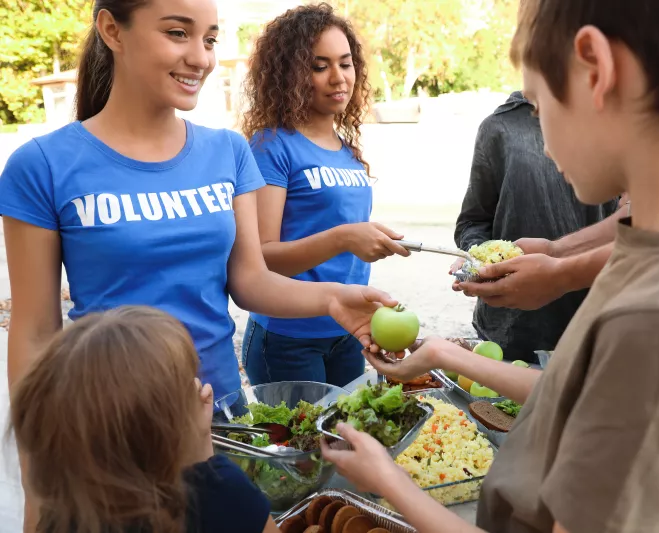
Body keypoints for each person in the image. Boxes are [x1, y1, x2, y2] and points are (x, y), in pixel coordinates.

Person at [324, 1, 659, 532]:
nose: (542, 137)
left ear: (595, 67)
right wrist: (441, 356)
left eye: (540, 105)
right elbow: (596, 397)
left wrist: (390, 482)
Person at [0, 1, 395, 529]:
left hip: (218, 420)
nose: (200, 58)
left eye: (209, 39)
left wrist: (330, 299)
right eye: (177, 33)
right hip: (106, 435)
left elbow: (250, 280)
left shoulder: (228, 152)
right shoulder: (41, 165)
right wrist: (37, 479)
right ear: (112, 29)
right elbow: (34, 333)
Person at [239, 3, 409, 387]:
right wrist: (346, 237)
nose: (339, 78)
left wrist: (367, 238)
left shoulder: (348, 151)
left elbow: (343, 237)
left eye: (346, 64)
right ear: (291, 74)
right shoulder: (271, 146)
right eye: (320, 66)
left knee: (344, 441)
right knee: (306, 446)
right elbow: (262, 258)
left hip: (348, 329)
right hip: (287, 338)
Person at [9, 306, 280, 533]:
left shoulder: (64, 518)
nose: (199, 385)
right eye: (187, 383)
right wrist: (207, 464)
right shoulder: (224, 495)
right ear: (163, 433)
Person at [453, 92, 618, 361]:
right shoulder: (499, 126)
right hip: (511, 330)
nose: (549, 151)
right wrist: (483, 257)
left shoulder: (619, 118)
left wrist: (559, 271)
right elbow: (473, 220)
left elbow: (646, 227)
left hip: (598, 326)